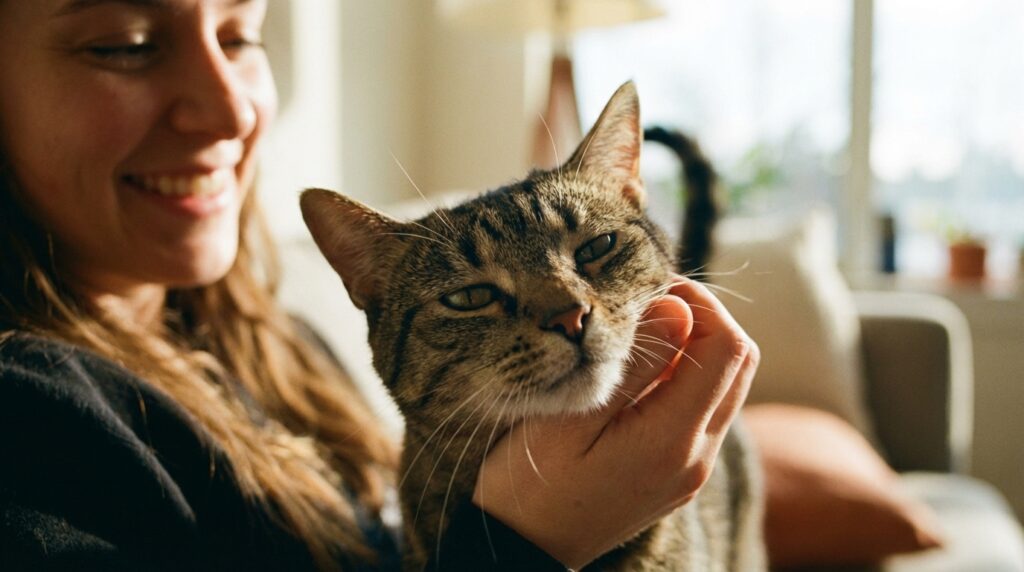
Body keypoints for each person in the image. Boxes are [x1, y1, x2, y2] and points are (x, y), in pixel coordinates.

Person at [0, 1, 759, 571]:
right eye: (124, 45)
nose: (231, 107)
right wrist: (532, 541)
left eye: (239, 35)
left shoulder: (273, 344)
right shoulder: (28, 416)